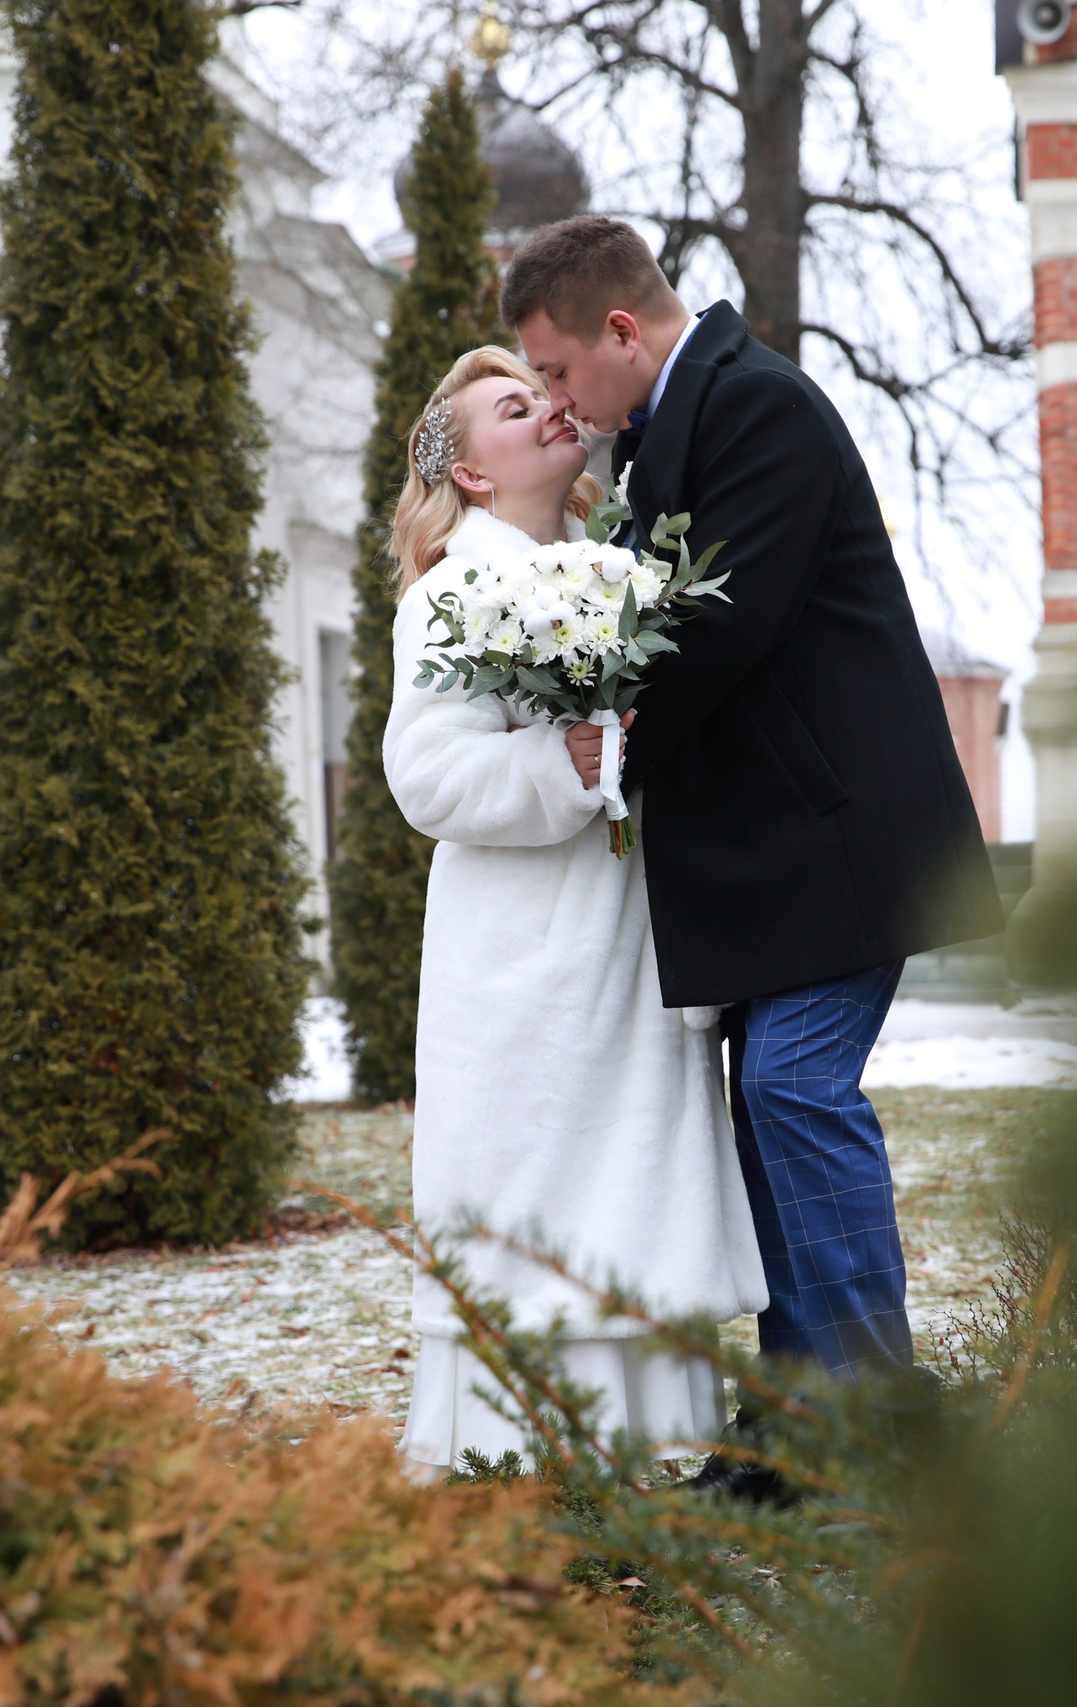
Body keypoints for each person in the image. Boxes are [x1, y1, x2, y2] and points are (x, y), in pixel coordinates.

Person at [501, 220, 1002, 1432]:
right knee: (763, 1114)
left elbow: (722, 626)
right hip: (768, 861)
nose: (557, 402)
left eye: (559, 371)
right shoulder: (670, 432)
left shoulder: (757, 406)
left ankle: (883, 1413)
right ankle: (791, 1424)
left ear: (622, 330)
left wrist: (609, 735)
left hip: (840, 841)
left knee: (791, 1093)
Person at [380, 345, 768, 1475]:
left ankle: (651, 1441)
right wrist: (566, 762)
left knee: (632, 1187)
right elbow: (428, 778)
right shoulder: (455, 587)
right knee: (547, 1197)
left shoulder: (612, 566)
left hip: (625, 939)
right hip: (526, 957)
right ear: (470, 475)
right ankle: (529, 1454)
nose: (550, 409)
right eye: (513, 406)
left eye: (544, 393)